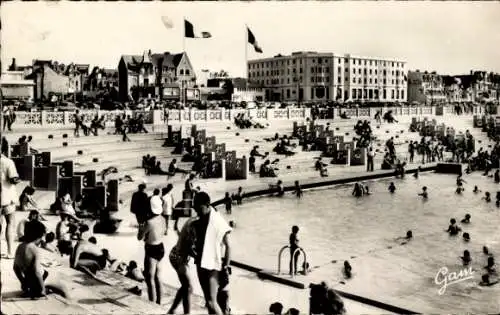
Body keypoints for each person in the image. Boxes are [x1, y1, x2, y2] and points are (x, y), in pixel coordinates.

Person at [192, 192, 232, 315]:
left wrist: (226, 265)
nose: (196, 211)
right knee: (208, 301)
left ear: (207, 204)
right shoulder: (198, 222)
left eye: (199, 208)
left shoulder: (218, 221)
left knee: (211, 302)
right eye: (195, 207)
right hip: (200, 262)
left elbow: (228, 246)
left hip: (213, 265)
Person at [14, 220, 69, 299]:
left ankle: (31, 290)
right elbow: (37, 271)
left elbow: (15, 268)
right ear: (39, 236)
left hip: (27, 280)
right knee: (63, 288)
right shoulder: (35, 250)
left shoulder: (20, 247)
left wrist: (23, 282)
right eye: (42, 237)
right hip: (38, 282)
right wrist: (42, 290)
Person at [167, 216, 198, 314]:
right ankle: (185, 313)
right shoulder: (195, 225)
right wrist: (199, 257)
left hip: (177, 254)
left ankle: (172, 310)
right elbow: (188, 247)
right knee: (188, 287)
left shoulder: (193, 220)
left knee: (186, 286)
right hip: (179, 257)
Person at [137, 200, 166, 305]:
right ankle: (159, 302)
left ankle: (152, 304)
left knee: (150, 279)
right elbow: (163, 232)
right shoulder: (163, 219)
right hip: (161, 247)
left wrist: (140, 229)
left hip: (151, 249)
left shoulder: (149, 222)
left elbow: (140, 237)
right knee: (158, 277)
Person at [1, 138, 20, 259]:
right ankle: (9, 251)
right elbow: (13, 179)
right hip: (7, 197)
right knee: (10, 223)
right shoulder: (8, 162)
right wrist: (18, 179)